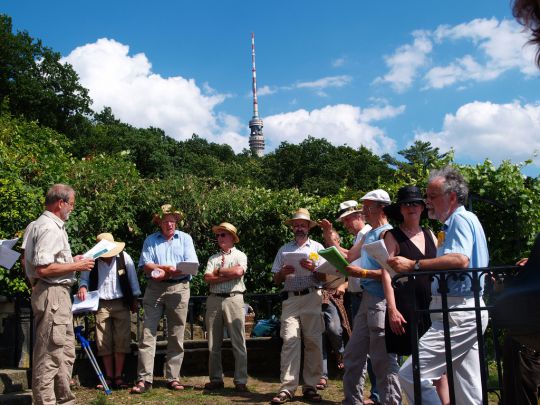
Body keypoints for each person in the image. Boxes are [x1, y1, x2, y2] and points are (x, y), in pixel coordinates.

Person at [389, 166, 489, 404]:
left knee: (411, 373)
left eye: (431, 197)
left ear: (451, 197)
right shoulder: (463, 220)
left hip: (457, 312)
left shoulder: (460, 219)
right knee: (467, 388)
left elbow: (460, 259)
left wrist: (413, 265)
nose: (427, 203)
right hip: (462, 309)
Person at [24, 184, 95, 405]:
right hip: (53, 292)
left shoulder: (41, 225)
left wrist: (70, 262)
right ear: (60, 203)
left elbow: (36, 263)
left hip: (54, 292)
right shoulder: (49, 227)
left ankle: (64, 400)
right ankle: (46, 401)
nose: (72, 208)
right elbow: (42, 268)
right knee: (50, 355)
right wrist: (78, 266)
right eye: (71, 204)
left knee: (64, 353)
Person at [382, 186, 450, 405]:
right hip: (406, 307)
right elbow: (386, 273)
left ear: (422, 207)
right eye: (406, 204)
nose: (410, 207)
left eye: (414, 203)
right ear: (400, 209)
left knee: (439, 367)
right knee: (412, 366)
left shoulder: (431, 234)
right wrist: (391, 308)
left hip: (433, 305)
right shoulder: (392, 236)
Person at [342, 189, 401, 405]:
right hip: (368, 298)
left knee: (382, 358)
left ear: (381, 208)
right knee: (352, 354)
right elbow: (349, 255)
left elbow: (392, 273)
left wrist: (364, 273)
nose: (364, 211)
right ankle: (352, 401)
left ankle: (391, 402)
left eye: (367, 207)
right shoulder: (369, 234)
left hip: (382, 300)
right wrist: (330, 244)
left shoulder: (389, 234)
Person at [131, 204, 198, 394]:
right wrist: (168, 269)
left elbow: (189, 266)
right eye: (166, 220)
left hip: (179, 288)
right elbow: (146, 266)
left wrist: (163, 271)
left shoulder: (185, 239)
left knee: (176, 333)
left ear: (176, 221)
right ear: (159, 222)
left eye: (173, 220)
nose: (170, 224)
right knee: (148, 333)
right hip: (154, 289)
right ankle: (144, 379)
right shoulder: (150, 240)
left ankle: (173, 377)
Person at [321, 200, 379, 404]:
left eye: (347, 220)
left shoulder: (368, 233)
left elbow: (346, 257)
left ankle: (376, 395)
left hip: (367, 295)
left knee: (371, 348)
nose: (345, 224)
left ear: (359, 216)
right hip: (357, 296)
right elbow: (348, 257)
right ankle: (369, 395)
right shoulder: (360, 236)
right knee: (363, 348)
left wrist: (329, 236)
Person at [270, 208, 325, 404]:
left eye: (303, 224)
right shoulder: (284, 249)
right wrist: (282, 273)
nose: (299, 227)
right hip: (291, 299)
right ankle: (287, 389)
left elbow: (325, 278)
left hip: (312, 296)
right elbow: (275, 280)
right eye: (296, 225)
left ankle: (310, 387)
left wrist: (314, 269)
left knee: (313, 343)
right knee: (290, 342)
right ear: (292, 227)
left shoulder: (317, 248)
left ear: (309, 227)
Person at [77, 232, 141, 390]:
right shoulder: (91, 259)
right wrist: (83, 287)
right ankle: (108, 376)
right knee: (103, 341)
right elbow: (84, 279)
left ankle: (118, 376)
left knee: (122, 340)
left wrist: (134, 299)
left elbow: (133, 280)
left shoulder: (124, 257)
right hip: (101, 303)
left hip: (121, 302)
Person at [203, 222, 248, 392]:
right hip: (214, 300)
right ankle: (216, 379)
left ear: (232, 237)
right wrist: (226, 274)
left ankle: (241, 380)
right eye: (218, 235)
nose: (219, 238)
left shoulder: (240, 255)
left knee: (238, 342)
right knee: (213, 343)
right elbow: (207, 278)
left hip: (234, 299)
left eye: (223, 235)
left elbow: (238, 272)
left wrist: (218, 273)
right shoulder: (212, 258)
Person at [317, 229, 351, 391]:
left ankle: (341, 353)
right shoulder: (320, 256)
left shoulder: (347, 256)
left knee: (335, 328)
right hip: (318, 295)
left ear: (339, 241)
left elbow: (354, 278)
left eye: (335, 240)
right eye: (329, 241)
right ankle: (322, 376)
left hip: (335, 297)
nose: (331, 243)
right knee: (319, 335)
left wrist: (344, 285)